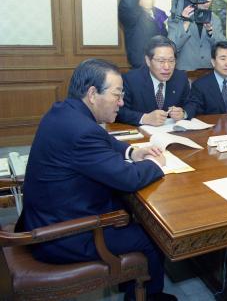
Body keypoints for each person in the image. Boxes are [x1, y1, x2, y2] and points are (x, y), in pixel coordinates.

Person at [20, 59, 177, 301]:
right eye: (117, 94)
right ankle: (147, 296)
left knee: (130, 209)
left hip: (47, 214)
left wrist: (133, 152)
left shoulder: (65, 111)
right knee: (153, 237)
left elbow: (102, 140)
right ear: (93, 94)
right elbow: (128, 178)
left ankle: (133, 287)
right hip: (60, 235)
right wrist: (156, 164)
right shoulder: (82, 130)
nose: (122, 102)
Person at [116, 36, 189, 126]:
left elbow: (191, 103)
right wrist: (145, 118)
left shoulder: (180, 78)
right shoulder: (131, 80)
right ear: (148, 61)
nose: (167, 67)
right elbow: (119, 111)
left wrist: (183, 113)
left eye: (171, 60)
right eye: (161, 61)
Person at [167, 0, 225, 70]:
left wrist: (210, 33)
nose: (206, 0)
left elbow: (222, 49)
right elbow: (171, 48)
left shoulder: (215, 19)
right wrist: (185, 22)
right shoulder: (177, 18)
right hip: (185, 75)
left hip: (208, 73)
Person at [184, 41, 227, 118]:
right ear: (213, 62)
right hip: (210, 128)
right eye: (223, 59)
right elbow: (196, 113)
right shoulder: (200, 85)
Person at [119, 0, 168, 69]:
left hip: (161, 68)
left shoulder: (160, 14)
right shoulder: (131, 16)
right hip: (141, 70)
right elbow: (128, 3)